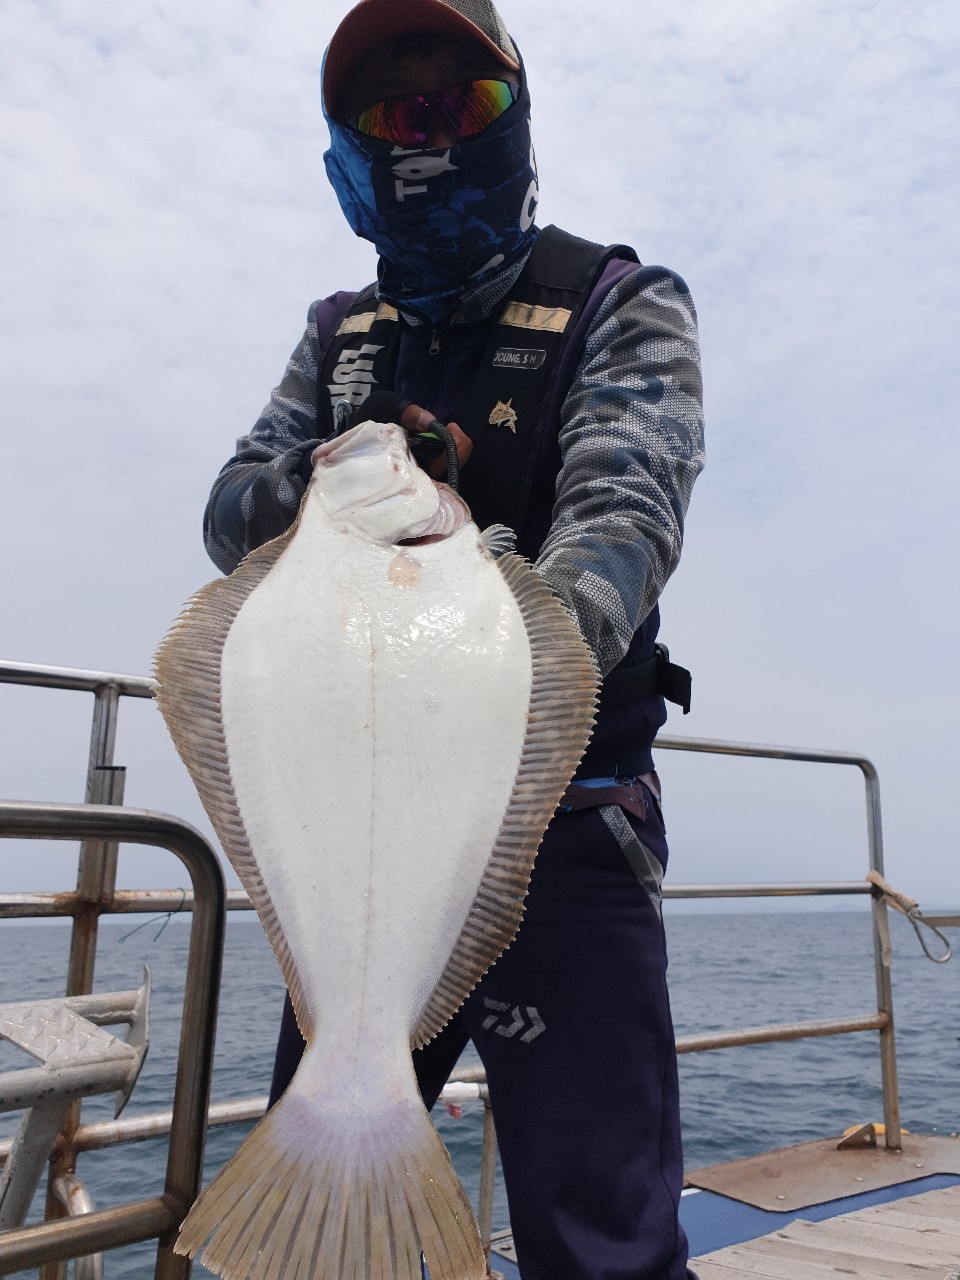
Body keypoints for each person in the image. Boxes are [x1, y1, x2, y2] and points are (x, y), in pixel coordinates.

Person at [203, 1, 704, 1276]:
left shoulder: (620, 302)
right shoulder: (337, 337)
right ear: (352, 152)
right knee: (316, 1236)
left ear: (512, 122)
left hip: (570, 824)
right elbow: (229, 508)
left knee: (603, 1237)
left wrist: (503, 648)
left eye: (459, 103)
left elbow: (626, 512)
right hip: (359, 846)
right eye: (393, 111)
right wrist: (328, 476)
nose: (425, 133)